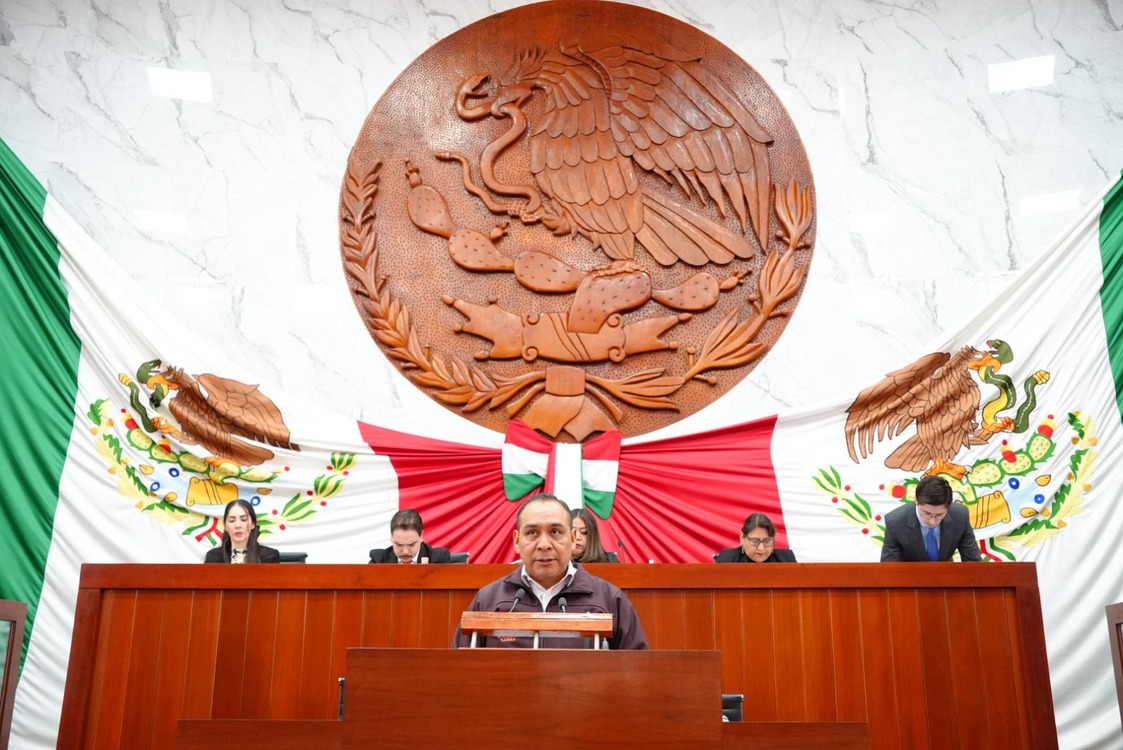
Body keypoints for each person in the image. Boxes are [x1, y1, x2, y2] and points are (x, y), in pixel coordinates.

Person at [454, 494, 647, 649]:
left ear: (572, 538)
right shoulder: (488, 599)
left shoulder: (609, 599)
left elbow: (638, 674)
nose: (544, 545)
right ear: (516, 541)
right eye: (532, 533)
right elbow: (459, 675)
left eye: (555, 532)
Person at [880, 475, 982, 562]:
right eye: (926, 513)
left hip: (946, 577)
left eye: (939, 515)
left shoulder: (960, 516)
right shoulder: (895, 522)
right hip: (909, 579)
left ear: (948, 506)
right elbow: (889, 570)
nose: (932, 521)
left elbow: (973, 562)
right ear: (916, 501)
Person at [203, 499, 280, 563]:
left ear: (253, 524)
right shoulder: (213, 557)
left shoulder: (269, 556)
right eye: (232, 520)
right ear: (225, 526)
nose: (238, 525)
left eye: (243, 520)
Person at [369, 508, 452, 564]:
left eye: (411, 544)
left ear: (421, 536)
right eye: (399, 544)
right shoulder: (379, 560)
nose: (405, 552)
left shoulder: (438, 559)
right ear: (391, 537)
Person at [714, 512, 796, 563]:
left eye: (767, 541)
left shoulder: (786, 558)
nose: (761, 548)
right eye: (755, 541)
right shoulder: (727, 559)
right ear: (742, 537)